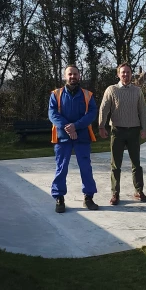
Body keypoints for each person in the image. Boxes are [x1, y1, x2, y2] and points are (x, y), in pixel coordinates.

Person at [98, 62, 146, 205]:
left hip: (133, 131)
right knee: (116, 165)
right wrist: (101, 126)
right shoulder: (112, 90)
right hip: (117, 131)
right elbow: (104, 109)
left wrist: (144, 128)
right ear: (118, 74)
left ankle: (139, 191)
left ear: (131, 73)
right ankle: (115, 193)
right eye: (123, 72)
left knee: (136, 164)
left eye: (128, 72)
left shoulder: (137, 91)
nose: (125, 75)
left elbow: (143, 111)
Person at [48, 65, 99, 213]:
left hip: (82, 136)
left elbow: (91, 113)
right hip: (62, 138)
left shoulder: (87, 95)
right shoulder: (56, 94)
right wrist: (67, 127)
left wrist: (75, 126)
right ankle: (59, 198)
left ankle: (88, 197)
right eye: (70, 74)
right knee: (61, 168)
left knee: (86, 168)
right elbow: (52, 114)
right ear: (65, 76)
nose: (72, 76)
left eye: (75, 74)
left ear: (79, 76)